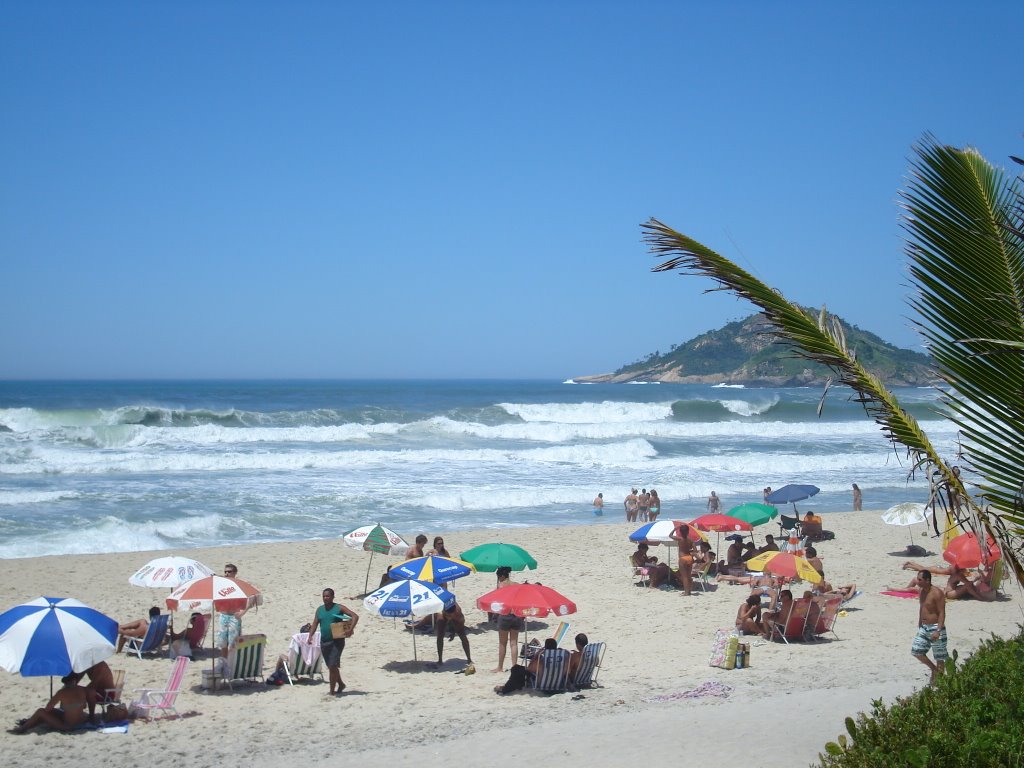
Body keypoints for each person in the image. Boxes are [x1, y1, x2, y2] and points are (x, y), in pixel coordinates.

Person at [306, 587, 359, 696]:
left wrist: (350, 629)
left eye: (328, 596)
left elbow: (355, 616)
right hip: (324, 641)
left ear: (333, 597)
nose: (325, 598)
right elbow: (315, 623)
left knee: (333, 665)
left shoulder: (339, 608)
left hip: (337, 641)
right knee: (331, 666)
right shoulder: (319, 609)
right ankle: (341, 684)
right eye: (324, 596)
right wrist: (310, 635)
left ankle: (331, 692)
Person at [12, 673, 90, 733]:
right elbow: (84, 706)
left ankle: (22, 728)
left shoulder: (62, 692)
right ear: (75, 680)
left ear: (65, 682)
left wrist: (53, 700)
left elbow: (48, 708)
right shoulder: (82, 690)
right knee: (55, 711)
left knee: (40, 711)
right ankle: (29, 722)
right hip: (80, 721)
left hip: (67, 726)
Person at [911, 570, 947, 683]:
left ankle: (939, 683)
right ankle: (934, 669)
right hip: (924, 627)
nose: (918, 582)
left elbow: (942, 612)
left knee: (939, 657)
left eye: (920, 580)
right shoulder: (921, 591)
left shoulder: (937, 593)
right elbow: (922, 607)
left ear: (927, 580)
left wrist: (938, 630)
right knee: (916, 651)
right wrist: (919, 622)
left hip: (935, 627)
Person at [491, 566, 525, 673]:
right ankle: (514, 667)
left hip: (505, 615)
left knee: (502, 643)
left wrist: (494, 616)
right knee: (514, 643)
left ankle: (500, 667)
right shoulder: (516, 585)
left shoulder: (500, 586)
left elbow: (497, 603)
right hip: (516, 615)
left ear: (501, 576)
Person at [216, 563, 248, 658]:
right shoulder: (222, 585)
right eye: (225, 571)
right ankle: (224, 662)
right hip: (223, 616)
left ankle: (232, 663)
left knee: (233, 643)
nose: (226, 574)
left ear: (235, 573)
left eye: (229, 572)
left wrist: (242, 612)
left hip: (234, 616)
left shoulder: (239, 586)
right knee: (223, 643)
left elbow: (251, 599)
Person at [435, 602, 473, 669]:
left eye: (450, 616)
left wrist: (453, 632)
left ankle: (469, 659)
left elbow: (459, 625)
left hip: (455, 616)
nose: (449, 618)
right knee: (440, 636)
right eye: (448, 616)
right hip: (443, 615)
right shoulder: (440, 613)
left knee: (462, 635)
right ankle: (440, 660)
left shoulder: (458, 613)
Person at [675, 524, 694, 595]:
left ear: (680, 532)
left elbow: (670, 535)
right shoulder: (691, 540)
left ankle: (686, 592)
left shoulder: (680, 539)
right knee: (689, 576)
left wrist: (675, 529)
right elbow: (694, 550)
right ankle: (689, 591)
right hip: (689, 557)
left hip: (683, 558)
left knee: (684, 577)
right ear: (688, 531)